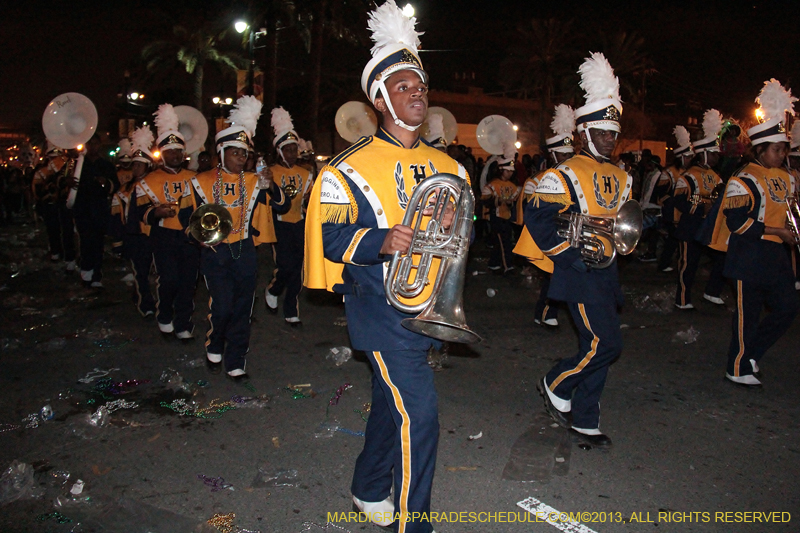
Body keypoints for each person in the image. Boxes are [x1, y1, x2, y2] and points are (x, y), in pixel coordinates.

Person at [304, 1, 469, 530]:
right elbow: (331, 238)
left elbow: (460, 243)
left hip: (426, 306)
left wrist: (450, 223)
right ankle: (412, 523)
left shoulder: (451, 166)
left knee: (388, 402)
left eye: (421, 86)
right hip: (380, 310)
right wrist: (382, 240)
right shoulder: (343, 168)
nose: (417, 93)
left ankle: (368, 486)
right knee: (419, 416)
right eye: (403, 86)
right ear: (379, 99)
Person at [525, 53, 633, 450]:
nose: (609, 138)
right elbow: (538, 218)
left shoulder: (622, 176)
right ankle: (556, 381)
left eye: (613, 133)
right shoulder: (565, 173)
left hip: (608, 269)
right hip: (578, 269)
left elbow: (623, 221)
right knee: (606, 344)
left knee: (597, 345)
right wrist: (570, 256)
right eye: (601, 132)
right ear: (584, 133)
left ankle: (586, 419)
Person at [190, 96, 288, 379]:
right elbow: (189, 221)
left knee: (243, 308)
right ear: (222, 153)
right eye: (235, 153)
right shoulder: (200, 181)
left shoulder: (255, 181)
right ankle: (215, 341)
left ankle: (236, 360)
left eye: (244, 154)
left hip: (245, 250)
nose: (241, 159)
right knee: (222, 305)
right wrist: (200, 238)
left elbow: (282, 206)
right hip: (214, 252)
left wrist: (271, 185)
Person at [710, 79, 799, 387]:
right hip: (748, 253)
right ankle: (736, 367)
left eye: (784, 149)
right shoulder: (743, 178)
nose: (782, 154)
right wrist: (777, 230)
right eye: (776, 149)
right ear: (760, 149)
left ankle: (751, 355)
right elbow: (737, 223)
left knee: (788, 307)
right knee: (747, 316)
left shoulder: (787, 178)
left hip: (776, 254)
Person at [133, 104, 199, 338]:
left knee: (188, 282)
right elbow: (139, 211)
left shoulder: (195, 177)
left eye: (178, 151)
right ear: (162, 154)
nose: (175, 155)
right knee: (169, 279)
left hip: (189, 236)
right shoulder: (148, 181)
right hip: (164, 236)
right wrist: (156, 213)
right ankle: (164, 315)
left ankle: (183, 323)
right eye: (170, 152)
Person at [514, 103, 576, 328]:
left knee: (563, 278)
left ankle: (546, 312)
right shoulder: (538, 180)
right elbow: (534, 215)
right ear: (553, 154)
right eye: (562, 154)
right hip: (551, 236)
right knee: (554, 276)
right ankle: (547, 312)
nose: (566, 158)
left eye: (569, 154)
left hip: (572, 234)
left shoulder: (577, 176)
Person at [264, 107, 314, 325]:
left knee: (299, 267)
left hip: (299, 223)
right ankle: (274, 289)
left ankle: (291, 309)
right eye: (288, 150)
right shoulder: (271, 172)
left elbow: (309, 199)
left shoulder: (305, 173)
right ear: (280, 151)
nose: (292, 154)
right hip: (279, 224)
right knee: (285, 265)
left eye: (295, 149)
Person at [673, 109, 726, 309]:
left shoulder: (717, 176)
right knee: (688, 264)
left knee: (722, 257)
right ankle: (682, 300)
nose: (716, 157)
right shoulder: (688, 176)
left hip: (710, 226)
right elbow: (679, 202)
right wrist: (703, 208)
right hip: (691, 225)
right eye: (713, 154)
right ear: (703, 154)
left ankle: (712, 292)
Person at [110, 126, 157, 317]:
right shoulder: (124, 190)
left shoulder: (157, 186)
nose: (135, 168)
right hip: (136, 237)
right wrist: (118, 241)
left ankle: (151, 299)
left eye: (140, 165)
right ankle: (146, 305)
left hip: (157, 235)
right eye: (134, 165)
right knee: (140, 272)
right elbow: (117, 217)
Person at [70, 135, 119, 288]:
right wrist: (69, 183)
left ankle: (97, 275)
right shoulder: (78, 164)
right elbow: (67, 184)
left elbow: (115, 185)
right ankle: (86, 273)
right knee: (85, 240)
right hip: (82, 208)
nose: (93, 146)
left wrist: (106, 183)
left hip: (99, 208)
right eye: (90, 143)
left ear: (100, 145)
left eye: (95, 143)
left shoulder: (106, 165)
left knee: (98, 242)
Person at [657, 126, 694, 273]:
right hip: (672, 213)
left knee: (680, 242)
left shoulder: (690, 172)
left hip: (685, 212)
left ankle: (679, 263)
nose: (690, 160)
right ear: (681, 158)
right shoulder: (669, 173)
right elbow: (661, 194)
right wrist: (673, 205)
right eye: (688, 157)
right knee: (672, 241)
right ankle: (664, 264)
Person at [482, 148, 520, 273]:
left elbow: (515, 201)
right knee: (503, 241)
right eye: (507, 171)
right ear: (501, 170)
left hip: (507, 217)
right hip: (496, 217)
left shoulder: (512, 186)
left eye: (511, 171)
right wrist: (500, 201)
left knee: (501, 242)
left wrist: (510, 203)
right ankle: (507, 266)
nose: (510, 174)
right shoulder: (492, 184)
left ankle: (494, 263)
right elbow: (485, 200)